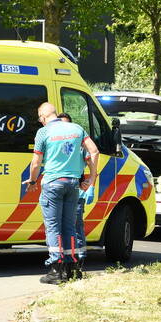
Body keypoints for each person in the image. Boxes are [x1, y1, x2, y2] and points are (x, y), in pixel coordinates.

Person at [26, 102, 99, 284]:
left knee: (53, 227)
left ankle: (56, 271)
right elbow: (94, 151)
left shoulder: (43, 132)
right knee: (69, 226)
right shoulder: (76, 128)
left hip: (52, 183)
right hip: (73, 184)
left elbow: (36, 163)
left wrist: (32, 181)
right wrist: (91, 179)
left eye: (40, 119)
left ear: (43, 117)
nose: (41, 122)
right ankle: (72, 268)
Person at [59, 112, 90, 278]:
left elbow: (91, 158)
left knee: (76, 227)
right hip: (63, 191)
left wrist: (90, 182)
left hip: (76, 190)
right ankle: (66, 262)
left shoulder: (79, 143)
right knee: (63, 228)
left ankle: (79, 261)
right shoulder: (56, 142)